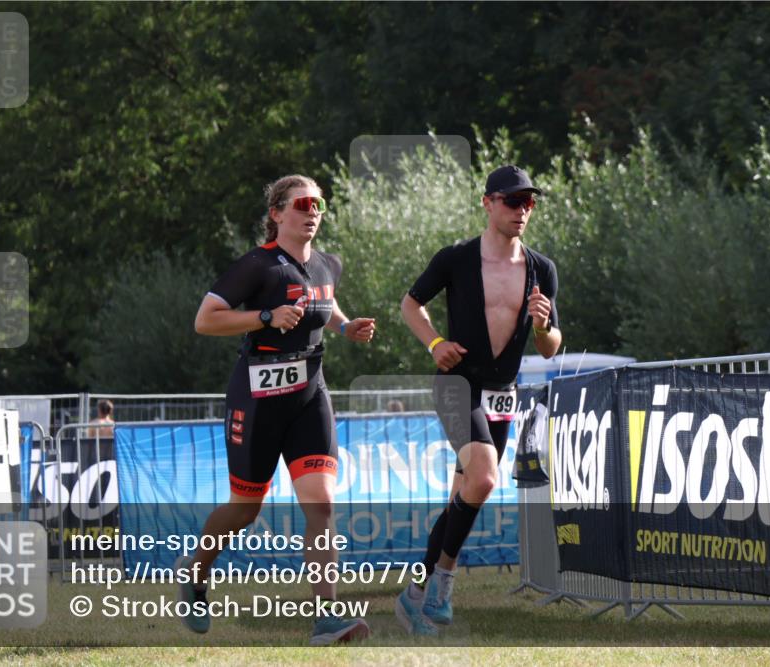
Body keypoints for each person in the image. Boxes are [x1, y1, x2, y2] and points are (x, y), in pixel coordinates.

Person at [180, 174, 376, 645]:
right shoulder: (257, 265)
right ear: (277, 214)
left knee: (322, 501)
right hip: (258, 398)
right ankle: (196, 570)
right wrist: (263, 317)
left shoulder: (329, 264)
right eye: (302, 204)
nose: (313, 212)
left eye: (319, 204)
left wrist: (347, 328)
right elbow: (205, 320)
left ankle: (327, 616)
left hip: (310, 395)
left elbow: (324, 305)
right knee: (245, 509)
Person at [396, 165, 561, 635]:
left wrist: (545, 324)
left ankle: (413, 597)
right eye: (512, 201)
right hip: (456, 385)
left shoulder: (541, 269)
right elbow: (411, 303)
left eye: (529, 202)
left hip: (502, 395)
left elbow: (551, 346)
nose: (522, 210)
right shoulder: (456, 258)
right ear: (487, 203)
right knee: (485, 479)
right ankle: (445, 580)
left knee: (461, 498)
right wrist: (433, 343)